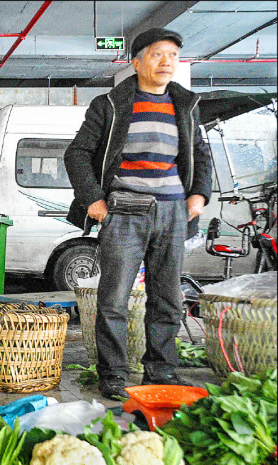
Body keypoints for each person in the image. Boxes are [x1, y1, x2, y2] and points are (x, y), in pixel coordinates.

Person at [64, 28, 212, 400]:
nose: (167, 62)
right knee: (114, 299)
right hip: (126, 210)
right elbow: (76, 153)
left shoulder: (186, 105)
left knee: (168, 298)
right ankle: (113, 374)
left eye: (173, 56)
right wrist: (94, 200)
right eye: (158, 54)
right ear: (137, 61)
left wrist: (199, 195)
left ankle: (161, 371)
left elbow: (200, 154)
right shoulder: (111, 105)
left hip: (174, 212)